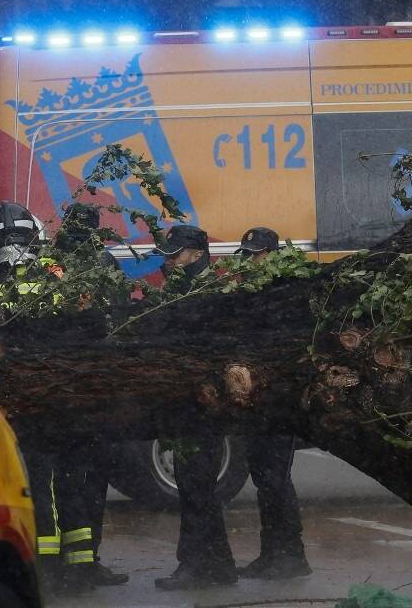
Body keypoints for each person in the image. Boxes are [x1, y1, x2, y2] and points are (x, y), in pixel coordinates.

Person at [0, 201, 100, 594]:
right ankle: (80, 566)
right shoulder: (56, 276)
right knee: (71, 481)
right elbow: (81, 328)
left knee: (39, 482)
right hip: (64, 396)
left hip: (25, 402)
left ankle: (46, 567)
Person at [152, 225, 240, 591]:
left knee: (196, 486)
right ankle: (220, 566)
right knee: (197, 487)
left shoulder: (208, 292)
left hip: (203, 406)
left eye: (176, 254)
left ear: (198, 254)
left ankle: (192, 564)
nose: (169, 260)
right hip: (187, 403)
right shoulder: (183, 288)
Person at [52, 203, 129, 587]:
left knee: (65, 478)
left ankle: (66, 563)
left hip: (60, 386)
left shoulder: (51, 264)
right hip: (96, 385)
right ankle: (85, 560)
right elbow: (120, 317)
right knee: (91, 478)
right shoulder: (104, 265)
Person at [232, 227, 311, 580]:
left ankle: (291, 555)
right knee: (264, 479)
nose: (251, 261)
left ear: (272, 254)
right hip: (257, 402)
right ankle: (271, 553)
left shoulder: (285, 293)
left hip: (279, 402)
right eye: (248, 254)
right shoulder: (251, 291)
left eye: (257, 254)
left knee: (276, 479)